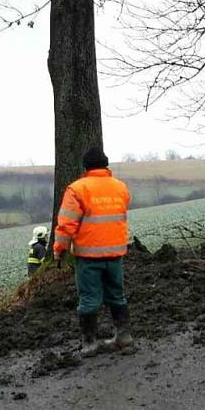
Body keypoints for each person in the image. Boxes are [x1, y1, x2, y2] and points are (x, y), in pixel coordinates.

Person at [54, 147, 133, 357]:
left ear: (85, 167)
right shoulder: (120, 187)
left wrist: (60, 249)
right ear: (105, 165)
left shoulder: (77, 189)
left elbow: (66, 224)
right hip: (116, 253)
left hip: (89, 256)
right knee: (117, 295)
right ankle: (123, 336)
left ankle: (89, 344)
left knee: (89, 299)